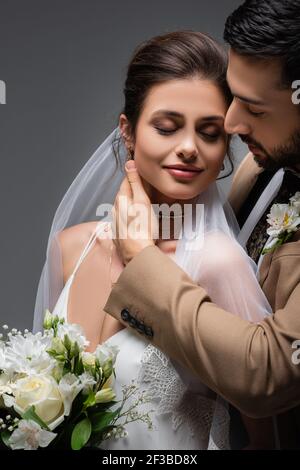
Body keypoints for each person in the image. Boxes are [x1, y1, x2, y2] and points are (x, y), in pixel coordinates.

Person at [34, 30, 275, 449]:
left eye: (210, 133)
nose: (188, 148)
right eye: (167, 127)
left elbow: (267, 434)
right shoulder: (71, 246)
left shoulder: (218, 263)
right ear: (128, 132)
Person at [103, 0, 300, 450]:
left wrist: (141, 259)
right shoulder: (258, 167)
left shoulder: (213, 252)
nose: (232, 124)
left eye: (254, 108)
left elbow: (267, 374)